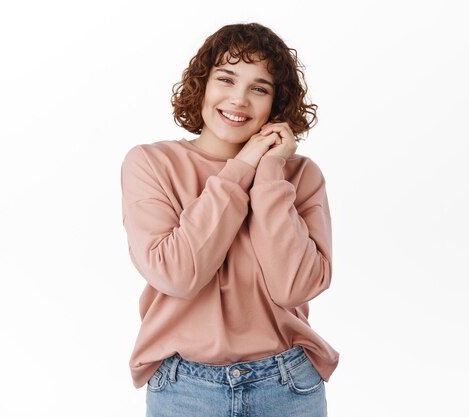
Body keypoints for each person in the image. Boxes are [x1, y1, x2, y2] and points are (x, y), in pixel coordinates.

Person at [120, 22, 338, 417]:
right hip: (184, 388)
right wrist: (241, 168)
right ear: (202, 84)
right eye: (226, 78)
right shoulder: (151, 164)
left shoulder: (301, 175)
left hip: (287, 385)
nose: (239, 99)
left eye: (260, 88)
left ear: (277, 104)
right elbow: (177, 273)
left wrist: (270, 169)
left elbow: (295, 286)